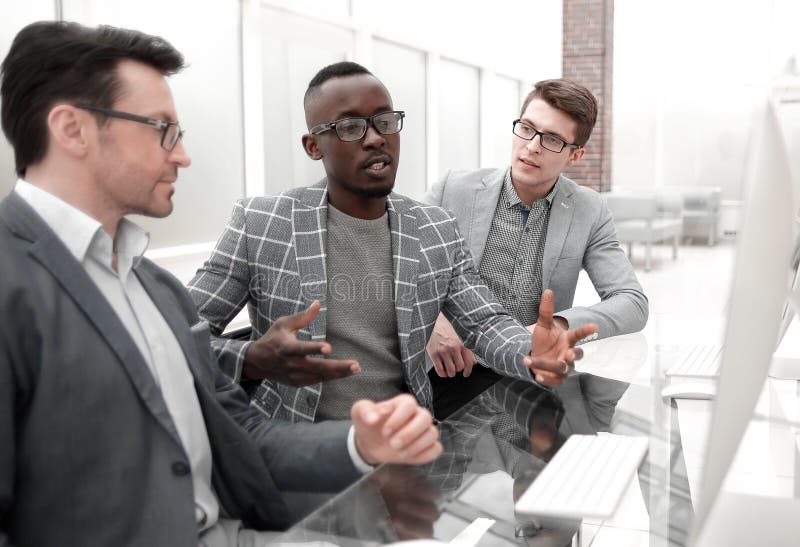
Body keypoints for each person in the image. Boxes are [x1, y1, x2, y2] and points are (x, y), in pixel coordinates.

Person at [0, 21, 443, 547]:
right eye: (161, 128)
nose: (182, 155)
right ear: (72, 130)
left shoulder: (154, 288)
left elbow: (242, 433)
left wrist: (361, 442)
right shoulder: (12, 286)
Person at [188, 62, 597, 424]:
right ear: (314, 146)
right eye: (350, 127)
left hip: (408, 449)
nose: (374, 139)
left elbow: (484, 324)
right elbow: (179, 335)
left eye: (385, 121)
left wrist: (530, 353)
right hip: (296, 451)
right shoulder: (260, 222)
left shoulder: (435, 228)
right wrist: (250, 360)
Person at [423, 78, 648, 421]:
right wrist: (431, 321)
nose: (532, 146)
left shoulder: (589, 210)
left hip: (532, 383)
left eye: (553, 139)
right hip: (449, 373)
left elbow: (632, 302)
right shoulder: (453, 190)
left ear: (576, 154)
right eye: (526, 129)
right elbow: (396, 264)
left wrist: (559, 325)